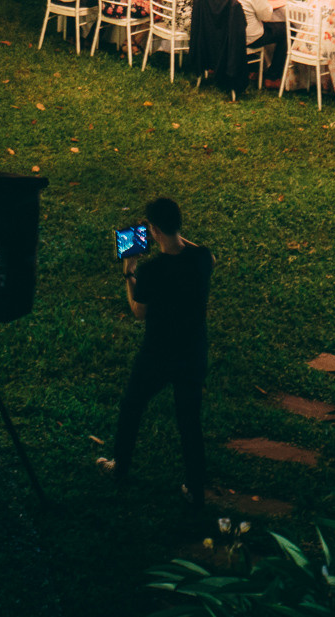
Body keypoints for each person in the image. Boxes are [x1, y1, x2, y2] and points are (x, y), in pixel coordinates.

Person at [102, 196, 213, 507]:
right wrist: (173, 237)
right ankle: (195, 488)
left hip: (159, 353)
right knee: (189, 420)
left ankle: (120, 467)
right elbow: (201, 254)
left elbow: (139, 311)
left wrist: (129, 271)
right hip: (193, 352)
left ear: (153, 231)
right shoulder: (203, 258)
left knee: (132, 406)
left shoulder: (152, 271)